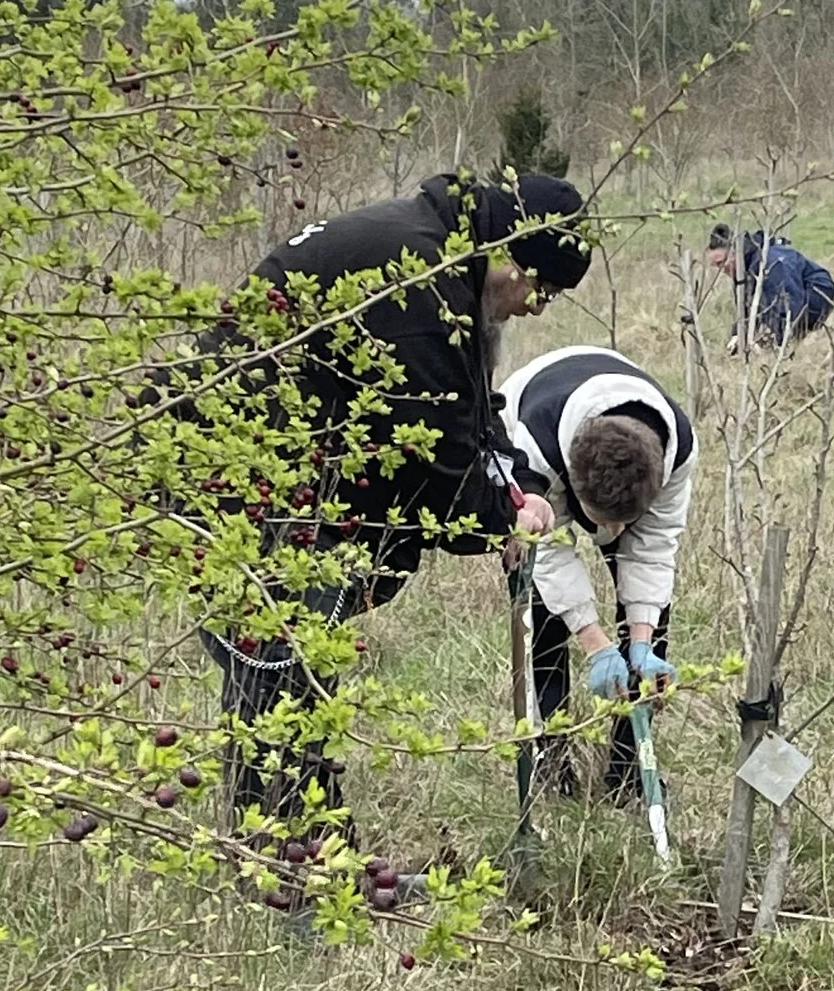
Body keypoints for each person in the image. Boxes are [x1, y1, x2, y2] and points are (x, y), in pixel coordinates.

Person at [192, 171, 589, 863]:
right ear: (508, 252)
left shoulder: (438, 262)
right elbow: (431, 456)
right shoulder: (419, 285)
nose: (535, 308)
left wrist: (514, 487)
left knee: (293, 668)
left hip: (293, 478)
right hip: (253, 484)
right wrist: (496, 516)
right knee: (279, 662)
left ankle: (309, 849)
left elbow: (463, 411)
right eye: (540, 288)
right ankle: (289, 875)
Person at [497, 340, 694, 805]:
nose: (609, 533)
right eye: (601, 519)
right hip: (538, 459)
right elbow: (547, 554)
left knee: (648, 618)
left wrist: (640, 642)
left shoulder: (677, 448)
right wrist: (595, 643)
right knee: (543, 614)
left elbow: (654, 550)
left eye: (622, 523)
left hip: (618, 462)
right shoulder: (533, 445)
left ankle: (627, 772)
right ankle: (549, 756)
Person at [706, 221, 834, 347]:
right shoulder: (741, 270)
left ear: (735, 253)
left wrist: (773, 340)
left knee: (780, 333)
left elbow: (789, 303)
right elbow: (747, 311)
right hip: (794, 295)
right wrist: (738, 336)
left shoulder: (770, 264)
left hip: (817, 292)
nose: (720, 270)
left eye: (721, 262)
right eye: (715, 265)